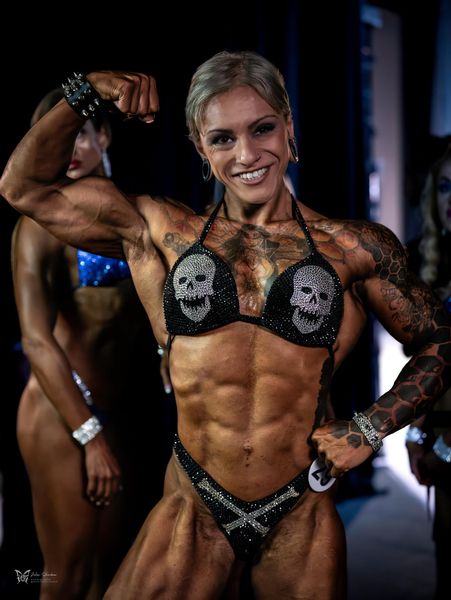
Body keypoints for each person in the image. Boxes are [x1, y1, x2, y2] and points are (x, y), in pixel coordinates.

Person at [1, 51, 450, 600]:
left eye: (262, 129)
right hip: (194, 507)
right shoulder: (161, 232)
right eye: (222, 139)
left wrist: (369, 427)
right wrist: (87, 90)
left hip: (300, 511)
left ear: (288, 127)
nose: (247, 155)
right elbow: (23, 188)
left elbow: (440, 340)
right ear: (199, 146)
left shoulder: (353, 248)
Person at [9, 89, 170, 599]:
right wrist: (90, 437)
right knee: (65, 575)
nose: (68, 149)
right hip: (61, 412)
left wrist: (167, 354)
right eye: (55, 138)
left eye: (79, 133)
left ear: (103, 134)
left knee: (113, 569)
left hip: (121, 411)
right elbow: (36, 341)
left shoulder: (138, 213)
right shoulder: (38, 226)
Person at [405, 144, 451, 600]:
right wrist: (417, 435)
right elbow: (425, 365)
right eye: (445, 186)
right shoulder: (429, 268)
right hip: (440, 440)